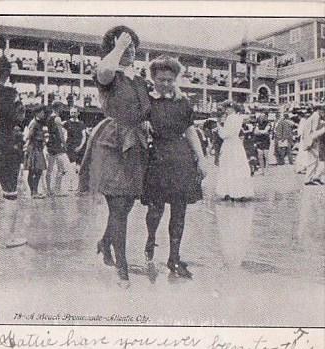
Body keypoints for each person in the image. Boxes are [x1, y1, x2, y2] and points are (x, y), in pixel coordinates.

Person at [79, 26, 150, 284]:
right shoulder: (106, 74)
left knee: (126, 205)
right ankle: (123, 268)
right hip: (112, 143)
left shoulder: (139, 81)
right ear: (113, 48)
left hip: (136, 144)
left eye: (133, 47)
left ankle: (105, 242)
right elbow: (106, 71)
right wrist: (118, 47)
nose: (130, 51)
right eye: (125, 46)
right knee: (119, 205)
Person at [141, 55, 208, 278]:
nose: (166, 83)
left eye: (170, 79)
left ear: (176, 78)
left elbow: (190, 131)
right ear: (153, 78)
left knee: (179, 212)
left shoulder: (184, 103)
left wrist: (201, 158)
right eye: (162, 79)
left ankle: (174, 258)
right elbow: (138, 125)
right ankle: (151, 239)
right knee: (155, 210)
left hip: (181, 159)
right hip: (157, 158)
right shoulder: (147, 102)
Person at [0, 54, 28, 247]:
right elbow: (19, 118)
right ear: (7, 73)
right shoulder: (11, 93)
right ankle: (9, 238)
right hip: (6, 145)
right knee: (10, 194)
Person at [216, 101, 254, 201]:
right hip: (237, 145)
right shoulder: (239, 118)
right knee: (238, 167)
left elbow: (225, 134)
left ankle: (228, 191)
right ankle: (240, 191)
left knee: (228, 168)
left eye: (227, 108)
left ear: (231, 109)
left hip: (229, 145)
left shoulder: (230, 118)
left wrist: (219, 127)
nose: (226, 110)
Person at [45, 100, 69, 196]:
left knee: (49, 169)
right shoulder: (57, 118)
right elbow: (60, 134)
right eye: (62, 107)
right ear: (58, 107)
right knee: (61, 169)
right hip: (57, 146)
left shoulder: (48, 118)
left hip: (50, 145)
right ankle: (57, 190)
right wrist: (64, 144)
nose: (63, 109)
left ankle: (49, 190)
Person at [24, 105, 48, 198]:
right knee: (34, 170)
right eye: (42, 112)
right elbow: (29, 137)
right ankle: (33, 192)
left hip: (38, 148)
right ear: (37, 113)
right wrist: (27, 149)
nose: (43, 114)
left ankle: (34, 191)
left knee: (37, 170)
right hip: (33, 148)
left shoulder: (39, 122)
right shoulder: (34, 123)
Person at [63, 107, 86, 190]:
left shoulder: (81, 124)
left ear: (78, 113)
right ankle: (71, 185)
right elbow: (63, 135)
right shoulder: (66, 123)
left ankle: (78, 185)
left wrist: (80, 146)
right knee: (71, 167)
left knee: (79, 168)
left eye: (74, 112)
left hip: (80, 147)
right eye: (71, 112)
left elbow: (84, 136)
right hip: (70, 147)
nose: (72, 114)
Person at [302, 104, 325, 186]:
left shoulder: (313, 117)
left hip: (311, 141)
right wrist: (323, 129)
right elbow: (314, 132)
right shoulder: (316, 117)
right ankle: (308, 179)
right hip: (312, 142)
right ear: (320, 111)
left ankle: (312, 178)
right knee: (313, 161)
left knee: (314, 161)